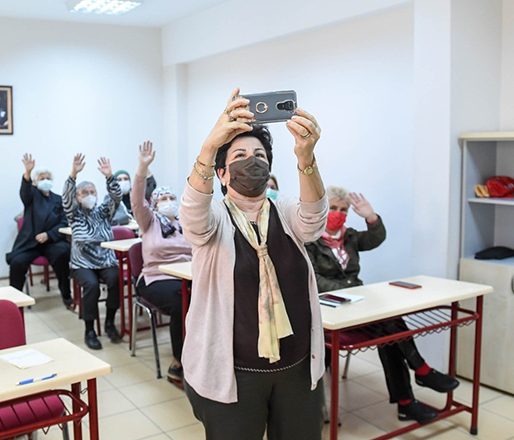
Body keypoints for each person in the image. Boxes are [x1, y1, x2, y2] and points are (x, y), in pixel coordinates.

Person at [179, 88, 328, 439]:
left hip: (296, 370)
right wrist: (207, 148)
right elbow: (192, 215)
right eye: (240, 154)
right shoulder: (214, 219)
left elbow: (315, 219)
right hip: (234, 374)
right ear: (223, 173)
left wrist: (306, 156)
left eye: (259, 155)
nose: (252, 160)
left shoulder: (286, 212)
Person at [305, 187, 459, 424]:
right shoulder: (310, 240)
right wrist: (352, 291)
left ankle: (411, 394)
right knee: (390, 328)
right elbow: (314, 280)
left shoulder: (351, 236)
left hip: (357, 307)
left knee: (391, 330)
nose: (338, 213)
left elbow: (376, 237)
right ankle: (419, 376)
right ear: (323, 209)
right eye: (333, 208)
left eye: (343, 210)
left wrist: (371, 217)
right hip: (329, 313)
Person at [130, 141, 193, 386]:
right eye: (162, 198)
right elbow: (137, 200)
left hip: (186, 277)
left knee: (212, 298)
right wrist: (142, 168)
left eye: (171, 197)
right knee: (182, 303)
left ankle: (206, 355)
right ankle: (178, 361)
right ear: (154, 205)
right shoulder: (149, 222)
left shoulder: (185, 223)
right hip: (156, 279)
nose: (168, 201)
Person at [63, 154, 122, 350]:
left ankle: (110, 322)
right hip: (83, 263)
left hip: (106, 259)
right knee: (92, 286)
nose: (90, 195)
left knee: (115, 280)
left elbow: (116, 197)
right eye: (85, 192)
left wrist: (109, 177)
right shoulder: (75, 214)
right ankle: (89, 330)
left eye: (92, 191)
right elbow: (66, 197)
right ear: (78, 197)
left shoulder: (103, 211)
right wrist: (73, 174)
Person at [7, 154, 72, 307]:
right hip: (31, 243)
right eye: (41, 178)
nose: (45, 181)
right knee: (17, 262)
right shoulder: (32, 196)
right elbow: (25, 191)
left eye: (48, 178)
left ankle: (66, 296)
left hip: (52, 242)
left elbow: (64, 222)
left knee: (62, 254)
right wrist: (28, 173)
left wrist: (49, 235)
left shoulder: (58, 199)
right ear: (35, 181)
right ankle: (13, 301)